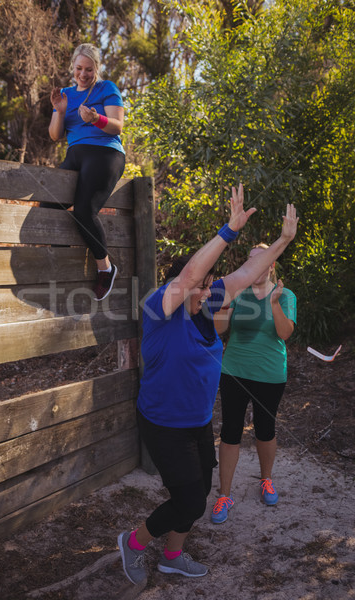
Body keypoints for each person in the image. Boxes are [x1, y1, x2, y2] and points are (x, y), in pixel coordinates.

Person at [117, 184, 298, 584]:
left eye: (210, 283)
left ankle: (171, 555)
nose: (207, 290)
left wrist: (283, 240)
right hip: (164, 424)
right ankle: (132, 542)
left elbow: (249, 272)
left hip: (196, 423)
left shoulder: (209, 304)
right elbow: (189, 274)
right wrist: (228, 231)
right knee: (189, 500)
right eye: (201, 284)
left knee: (195, 497)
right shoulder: (159, 307)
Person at [211, 243, 297, 524]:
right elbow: (219, 329)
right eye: (249, 261)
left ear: (271, 265)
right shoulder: (238, 294)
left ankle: (266, 479)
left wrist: (274, 305)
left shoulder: (285, 295)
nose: (254, 266)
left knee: (265, 429)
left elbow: (285, 334)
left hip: (270, 374)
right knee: (230, 431)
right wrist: (225, 301)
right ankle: (224, 495)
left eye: (260, 261)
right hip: (234, 370)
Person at [48, 43, 125, 301]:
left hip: (105, 152)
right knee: (48, 204)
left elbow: (117, 127)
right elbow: (54, 135)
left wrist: (96, 119)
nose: (83, 74)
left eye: (89, 69)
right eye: (79, 68)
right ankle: (59, 255)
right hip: (75, 154)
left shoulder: (107, 88)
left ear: (96, 68)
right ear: (73, 67)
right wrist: (60, 112)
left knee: (83, 210)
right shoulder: (65, 94)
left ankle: (105, 268)